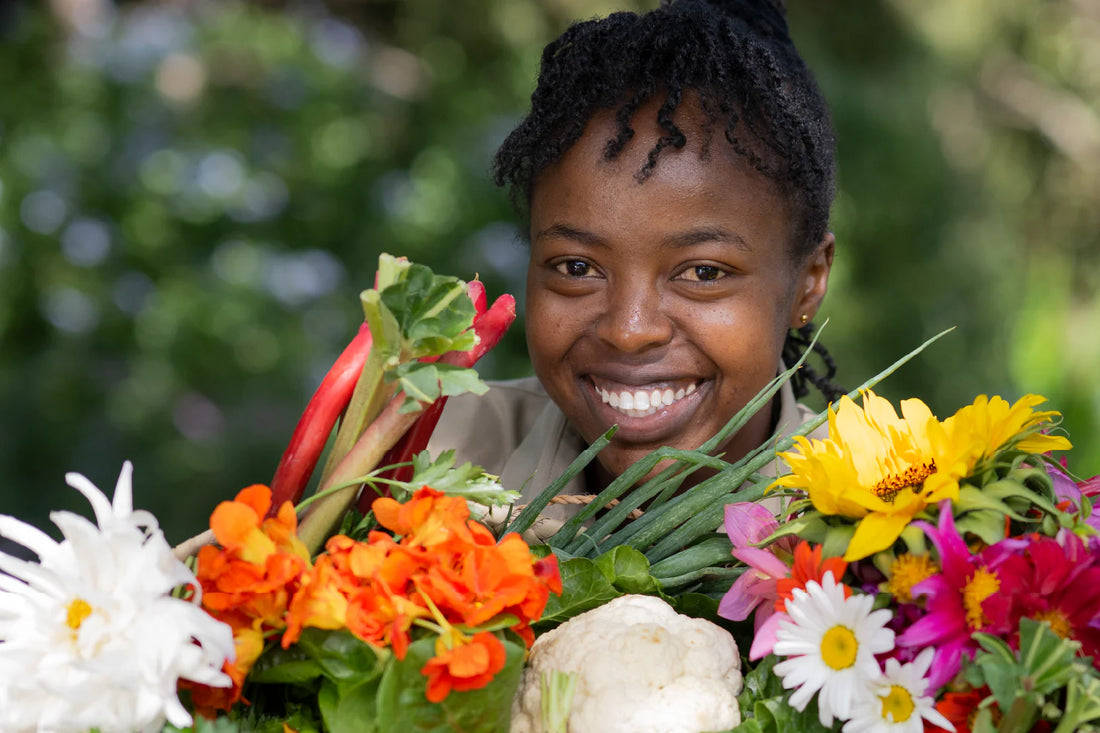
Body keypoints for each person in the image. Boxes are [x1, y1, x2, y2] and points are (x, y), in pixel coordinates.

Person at [428, 0, 844, 540]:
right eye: (577, 266)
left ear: (808, 282)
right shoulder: (429, 461)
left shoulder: (889, 531)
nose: (629, 330)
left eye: (703, 273)